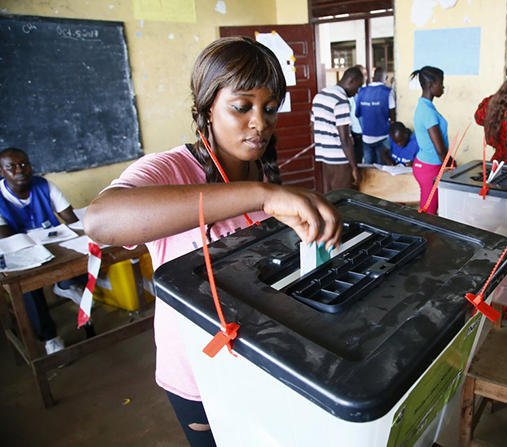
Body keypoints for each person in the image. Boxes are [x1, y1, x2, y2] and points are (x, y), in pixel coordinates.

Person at [84, 37, 342, 447]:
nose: (260, 122)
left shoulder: (265, 179)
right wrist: (261, 195)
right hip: (197, 370)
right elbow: (100, 221)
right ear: (206, 107)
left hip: (257, 361)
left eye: (270, 108)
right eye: (242, 107)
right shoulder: (172, 169)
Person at [0, 148, 85, 354]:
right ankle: (50, 337)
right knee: (28, 286)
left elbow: (71, 219)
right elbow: (7, 238)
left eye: (24, 164)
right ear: (2, 171)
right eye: (12, 167)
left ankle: (64, 285)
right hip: (21, 251)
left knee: (84, 254)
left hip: (55, 246)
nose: (20, 169)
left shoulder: (44, 185)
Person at [311, 66, 364, 192]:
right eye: (358, 86)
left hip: (323, 155)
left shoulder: (320, 95)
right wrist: (354, 167)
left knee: (330, 196)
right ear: (351, 80)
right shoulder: (341, 100)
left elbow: (312, 127)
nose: (357, 92)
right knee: (343, 197)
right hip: (339, 159)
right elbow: (345, 138)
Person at [411, 66, 451, 214]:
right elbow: (440, 149)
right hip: (430, 168)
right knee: (429, 214)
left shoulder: (425, 106)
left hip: (427, 164)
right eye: (441, 83)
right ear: (430, 85)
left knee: (429, 209)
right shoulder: (427, 111)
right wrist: (451, 165)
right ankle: (427, 237)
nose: (443, 87)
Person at [356, 67, 396, 164]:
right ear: (385, 77)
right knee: (380, 167)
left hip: (366, 136)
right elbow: (393, 117)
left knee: (368, 166)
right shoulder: (388, 92)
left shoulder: (361, 91)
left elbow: (358, 114)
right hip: (383, 136)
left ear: (373, 77)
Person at [348, 64, 367, 164]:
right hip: (356, 133)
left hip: (368, 133)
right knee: (358, 160)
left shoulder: (368, 92)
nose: (365, 77)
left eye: (365, 74)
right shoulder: (350, 95)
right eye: (362, 74)